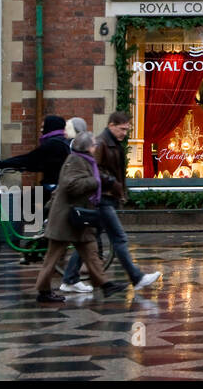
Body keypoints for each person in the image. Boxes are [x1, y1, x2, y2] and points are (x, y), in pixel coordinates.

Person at [60, 111, 162, 294]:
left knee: (89, 239)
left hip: (108, 196)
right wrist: (111, 183)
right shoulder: (101, 143)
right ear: (111, 125)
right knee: (119, 238)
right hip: (102, 198)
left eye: (127, 129)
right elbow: (93, 168)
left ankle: (69, 278)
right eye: (122, 129)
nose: (125, 133)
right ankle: (136, 277)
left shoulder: (113, 143)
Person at [34, 133, 126, 303]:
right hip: (66, 217)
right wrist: (95, 182)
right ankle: (43, 290)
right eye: (93, 144)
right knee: (52, 257)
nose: (96, 146)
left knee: (90, 251)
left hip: (78, 217)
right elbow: (71, 186)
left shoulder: (85, 160)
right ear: (86, 147)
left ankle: (106, 285)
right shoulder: (76, 161)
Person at [0, 115, 72, 186]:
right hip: (58, 185)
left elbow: (29, 159)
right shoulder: (62, 142)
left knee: (26, 199)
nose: (41, 130)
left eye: (43, 127)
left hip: (53, 187)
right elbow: (42, 164)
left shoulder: (53, 144)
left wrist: (2, 163)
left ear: (50, 127)